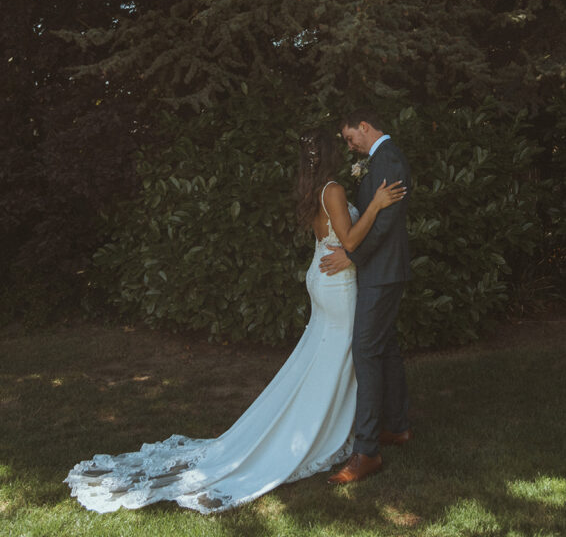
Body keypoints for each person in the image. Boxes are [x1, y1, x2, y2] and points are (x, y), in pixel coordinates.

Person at [64, 128, 404, 514]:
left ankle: (337, 427)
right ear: (329, 154)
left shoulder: (316, 188)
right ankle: (321, 433)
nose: (346, 150)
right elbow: (351, 241)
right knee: (339, 358)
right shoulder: (334, 190)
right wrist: (375, 205)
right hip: (338, 284)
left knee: (321, 359)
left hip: (322, 276)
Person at [320, 108, 412, 485]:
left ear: (365, 126)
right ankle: (397, 427)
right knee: (385, 348)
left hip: (380, 272)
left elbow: (385, 222)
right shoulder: (380, 159)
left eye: (349, 137)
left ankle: (367, 450)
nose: (349, 145)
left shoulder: (388, 159)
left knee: (366, 351)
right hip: (383, 270)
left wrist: (351, 254)